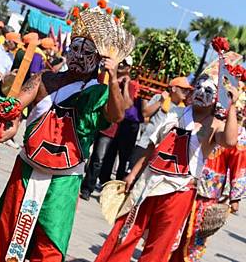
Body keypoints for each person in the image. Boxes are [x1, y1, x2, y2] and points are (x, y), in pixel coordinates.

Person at [0, 8, 130, 262]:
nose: (78, 55)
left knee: (50, 244)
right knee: (10, 231)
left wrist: (113, 77)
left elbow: (116, 116)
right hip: (27, 167)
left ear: (98, 60)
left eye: (87, 52)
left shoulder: (99, 92)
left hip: (64, 178)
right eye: (75, 48)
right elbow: (19, 103)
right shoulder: (44, 78)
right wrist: (10, 116)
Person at [94, 74, 239, 262]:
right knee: (125, 231)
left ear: (216, 98)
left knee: (159, 244)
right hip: (148, 182)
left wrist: (232, 106)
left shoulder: (215, 125)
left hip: (180, 190)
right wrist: (133, 174)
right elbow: (152, 147)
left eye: (208, 90)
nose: (202, 92)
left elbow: (230, 141)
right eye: (199, 88)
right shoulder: (175, 113)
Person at [175, 124, 246, 261]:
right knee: (170, 229)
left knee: (196, 235)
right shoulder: (198, 118)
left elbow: (239, 160)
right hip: (181, 180)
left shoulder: (238, 132)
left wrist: (235, 196)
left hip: (207, 191)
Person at [128, 76, 193, 168]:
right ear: (174, 89)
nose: (186, 92)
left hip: (161, 151)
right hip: (145, 144)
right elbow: (145, 114)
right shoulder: (159, 98)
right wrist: (160, 102)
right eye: (183, 89)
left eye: (188, 90)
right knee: (131, 172)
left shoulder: (183, 109)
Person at [97, 57, 143, 185]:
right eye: (120, 62)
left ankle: (117, 184)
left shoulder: (132, 84)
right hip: (111, 124)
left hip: (127, 126)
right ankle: (101, 182)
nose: (122, 65)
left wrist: (126, 85)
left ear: (129, 68)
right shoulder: (109, 76)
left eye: (125, 64)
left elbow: (128, 105)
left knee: (123, 157)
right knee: (106, 156)